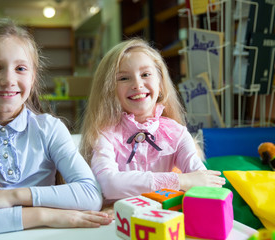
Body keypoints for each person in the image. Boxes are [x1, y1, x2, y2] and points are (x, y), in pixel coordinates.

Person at [0, 18, 112, 240]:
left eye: (20, 68)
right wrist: (46, 215)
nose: (8, 79)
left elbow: (90, 195)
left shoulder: (50, 128)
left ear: (33, 75)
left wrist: (10, 197)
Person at [80, 38, 226, 207]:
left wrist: (189, 181)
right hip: (117, 223)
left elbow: (203, 179)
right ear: (110, 89)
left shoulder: (176, 133)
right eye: (124, 78)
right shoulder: (106, 135)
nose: (137, 84)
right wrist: (181, 180)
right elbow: (109, 185)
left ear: (161, 83)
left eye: (145, 74)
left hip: (163, 220)